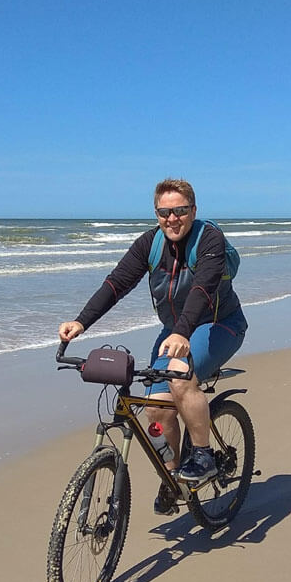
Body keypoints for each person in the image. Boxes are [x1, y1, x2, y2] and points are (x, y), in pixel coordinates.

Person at [58, 178, 248, 514]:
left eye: (180, 211)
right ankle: (172, 477)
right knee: (155, 408)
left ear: (193, 210)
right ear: (156, 214)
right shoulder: (150, 244)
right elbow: (116, 283)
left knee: (179, 376)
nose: (172, 219)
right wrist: (81, 321)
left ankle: (203, 454)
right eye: (164, 212)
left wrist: (183, 333)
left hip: (219, 324)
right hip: (176, 331)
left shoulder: (209, 239)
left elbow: (203, 288)